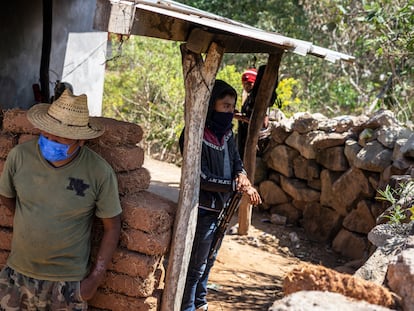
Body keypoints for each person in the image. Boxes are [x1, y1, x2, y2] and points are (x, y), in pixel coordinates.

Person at [0, 89, 122, 310]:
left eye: (59, 137)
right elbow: (7, 198)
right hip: (16, 276)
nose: (50, 140)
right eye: (46, 134)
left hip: (67, 285)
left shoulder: (98, 172)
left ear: (81, 141)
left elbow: (112, 227)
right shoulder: (19, 156)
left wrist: (94, 280)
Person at [179, 80, 262, 311]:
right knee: (196, 264)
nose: (230, 112)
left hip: (222, 209)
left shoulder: (227, 135)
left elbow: (236, 162)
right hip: (202, 209)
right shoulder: (193, 134)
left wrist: (242, 175)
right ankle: (187, 307)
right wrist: (234, 186)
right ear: (210, 105)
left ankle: (201, 303)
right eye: (224, 106)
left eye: (232, 106)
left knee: (210, 259)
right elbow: (201, 177)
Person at [236, 65, 276, 160]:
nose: (246, 86)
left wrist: (241, 118)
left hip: (255, 142)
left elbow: (263, 123)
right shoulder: (249, 98)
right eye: (244, 83)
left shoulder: (260, 99)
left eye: (249, 83)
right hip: (245, 139)